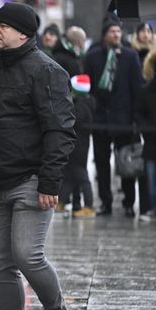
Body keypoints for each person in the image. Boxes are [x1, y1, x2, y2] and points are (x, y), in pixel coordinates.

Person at [0, 2, 78, 310]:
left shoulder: (47, 71)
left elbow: (60, 130)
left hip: (31, 181)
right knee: (2, 265)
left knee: (27, 256)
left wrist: (49, 181)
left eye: (4, 25)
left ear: (24, 32)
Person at [84, 18, 147, 217]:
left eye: (118, 32)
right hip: (101, 119)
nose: (116, 35)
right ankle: (105, 202)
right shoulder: (93, 56)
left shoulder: (130, 56)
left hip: (124, 120)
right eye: (112, 31)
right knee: (102, 164)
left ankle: (129, 202)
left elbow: (137, 88)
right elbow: (88, 87)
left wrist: (136, 118)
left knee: (125, 162)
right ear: (105, 35)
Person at [135, 47, 156, 220]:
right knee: (152, 180)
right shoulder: (146, 90)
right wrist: (146, 129)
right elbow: (139, 113)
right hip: (152, 142)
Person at [59, 75, 97, 218]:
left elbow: (73, 121)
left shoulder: (80, 106)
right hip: (76, 144)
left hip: (78, 146)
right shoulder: (86, 103)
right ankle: (61, 201)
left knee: (81, 174)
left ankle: (89, 206)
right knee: (69, 174)